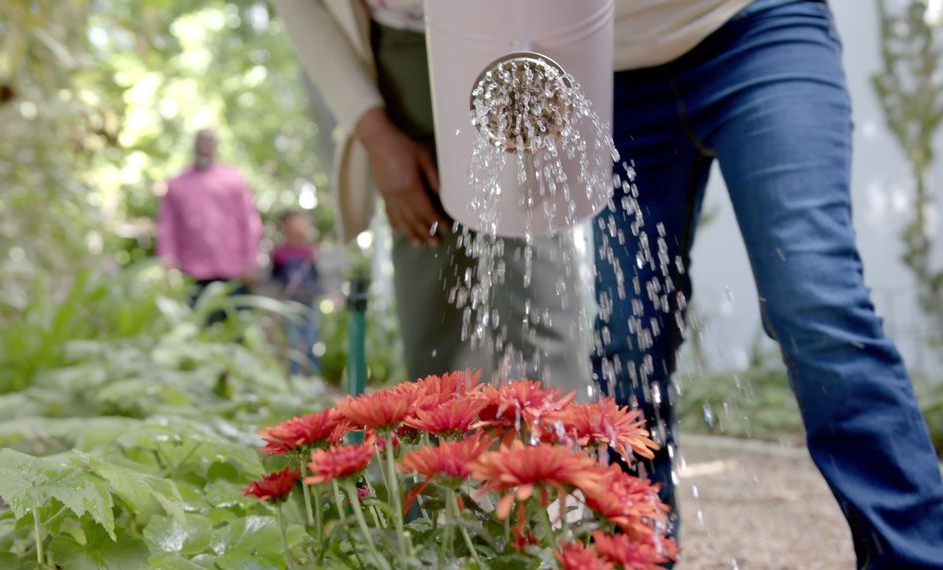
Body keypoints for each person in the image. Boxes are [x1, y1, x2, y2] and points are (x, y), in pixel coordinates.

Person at [273, 0, 943, 567]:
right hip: (610, 74)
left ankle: (912, 553)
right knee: (627, 340)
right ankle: (635, 551)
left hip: (755, 26)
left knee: (816, 299)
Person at [275, 0, 590, 394]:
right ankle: (445, 452)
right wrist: (376, 134)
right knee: (435, 328)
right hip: (400, 66)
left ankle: (557, 447)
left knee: (538, 292)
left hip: (515, 36)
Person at [156, 128, 263, 324]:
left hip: (232, 269)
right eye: (201, 141)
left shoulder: (233, 179)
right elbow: (167, 226)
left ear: (216, 146)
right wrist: (168, 263)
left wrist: (251, 261)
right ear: (195, 145)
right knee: (198, 326)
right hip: (194, 270)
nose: (205, 146)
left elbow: (249, 221)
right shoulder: (178, 183)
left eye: (209, 142)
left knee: (234, 327)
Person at [270, 210, 324, 375]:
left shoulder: (311, 251)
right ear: (285, 226)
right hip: (289, 304)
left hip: (309, 302)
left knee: (312, 341)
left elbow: (318, 277)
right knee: (293, 343)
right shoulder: (279, 253)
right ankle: (294, 379)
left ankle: (314, 379)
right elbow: (274, 279)